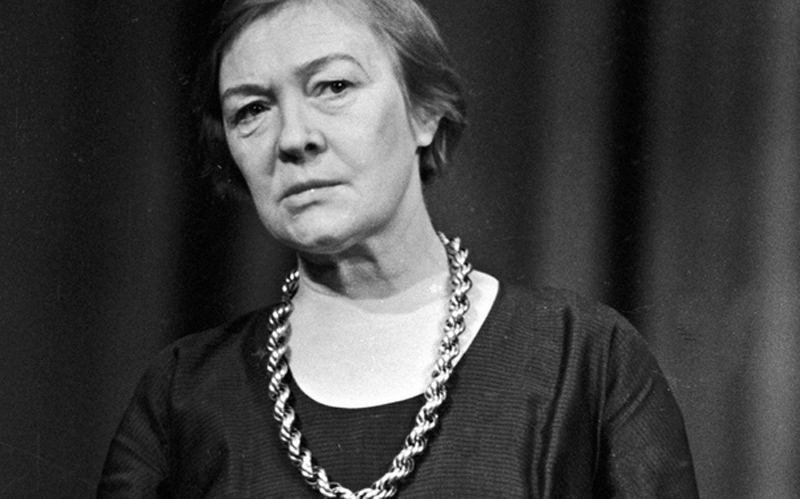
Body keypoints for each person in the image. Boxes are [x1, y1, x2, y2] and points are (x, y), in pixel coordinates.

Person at [97, 0, 699, 497]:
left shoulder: (583, 362)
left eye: (334, 86)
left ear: (425, 111)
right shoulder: (183, 397)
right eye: (252, 109)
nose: (294, 138)